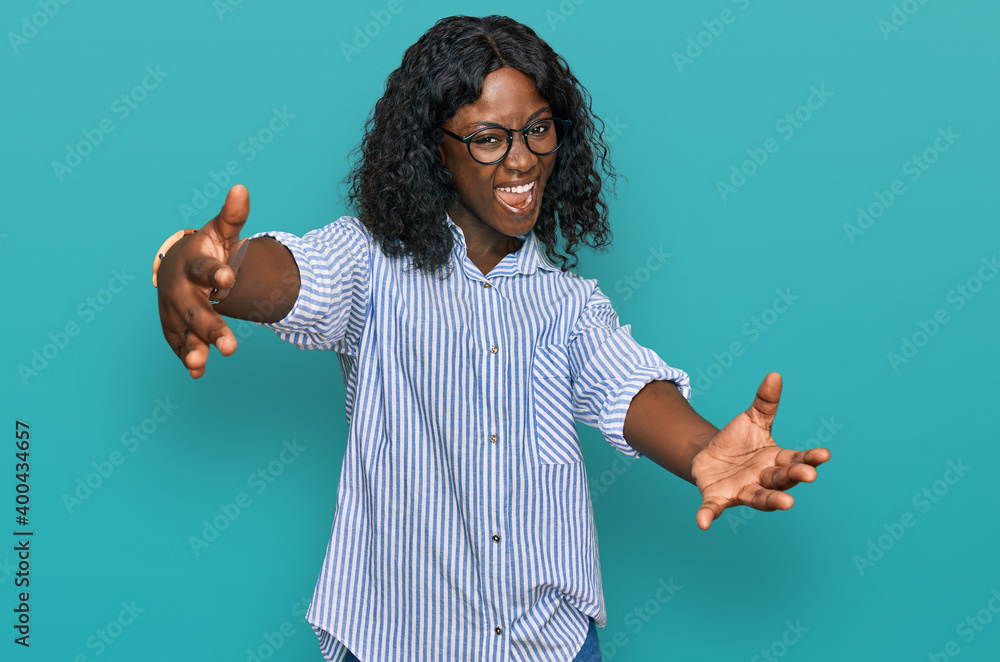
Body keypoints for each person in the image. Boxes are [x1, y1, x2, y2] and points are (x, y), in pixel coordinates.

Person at [153, 15, 830, 662]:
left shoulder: (568, 306)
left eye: (538, 129)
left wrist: (705, 453)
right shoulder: (369, 267)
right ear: (434, 151)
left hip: (551, 647)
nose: (522, 159)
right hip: (396, 643)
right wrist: (207, 269)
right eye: (488, 138)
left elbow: (627, 389)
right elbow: (289, 277)